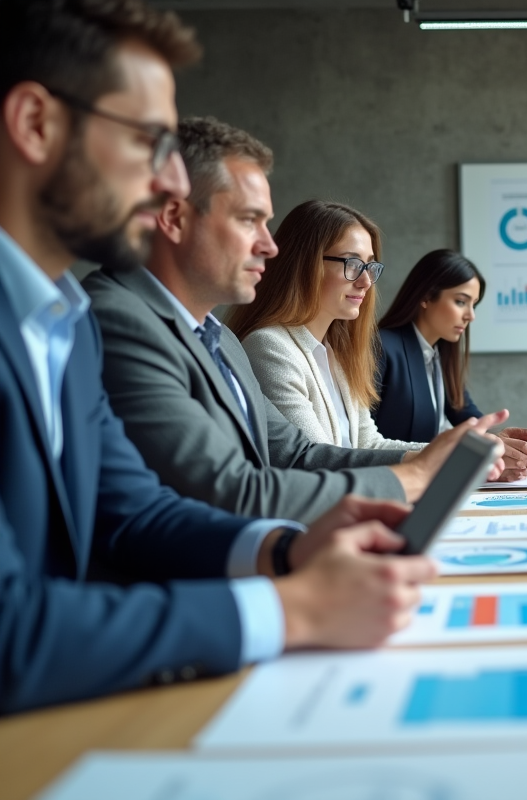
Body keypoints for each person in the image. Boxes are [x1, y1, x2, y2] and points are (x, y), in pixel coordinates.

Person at [0, 0, 441, 714]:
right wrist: (293, 610)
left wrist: (286, 554)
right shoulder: (103, 317)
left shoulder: (67, 321)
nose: (172, 183)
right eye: (149, 140)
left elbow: (134, 514)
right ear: (35, 125)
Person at [84, 117, 507, 526]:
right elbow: (232, 490)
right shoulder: (122, 321)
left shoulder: (224, 341)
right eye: (250, 220)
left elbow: (299, 454)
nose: (269, 247)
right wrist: (415, 475)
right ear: (174, 217)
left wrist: (441, 456)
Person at [229, 207, 527, 477]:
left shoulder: (338, 354)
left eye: (369, 266)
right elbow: (312, 461)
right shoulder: (271, 347)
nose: (366, 281)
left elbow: (370, 445)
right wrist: (451, 458)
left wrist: (472, 451)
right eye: (352, 263)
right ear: (305, 263)